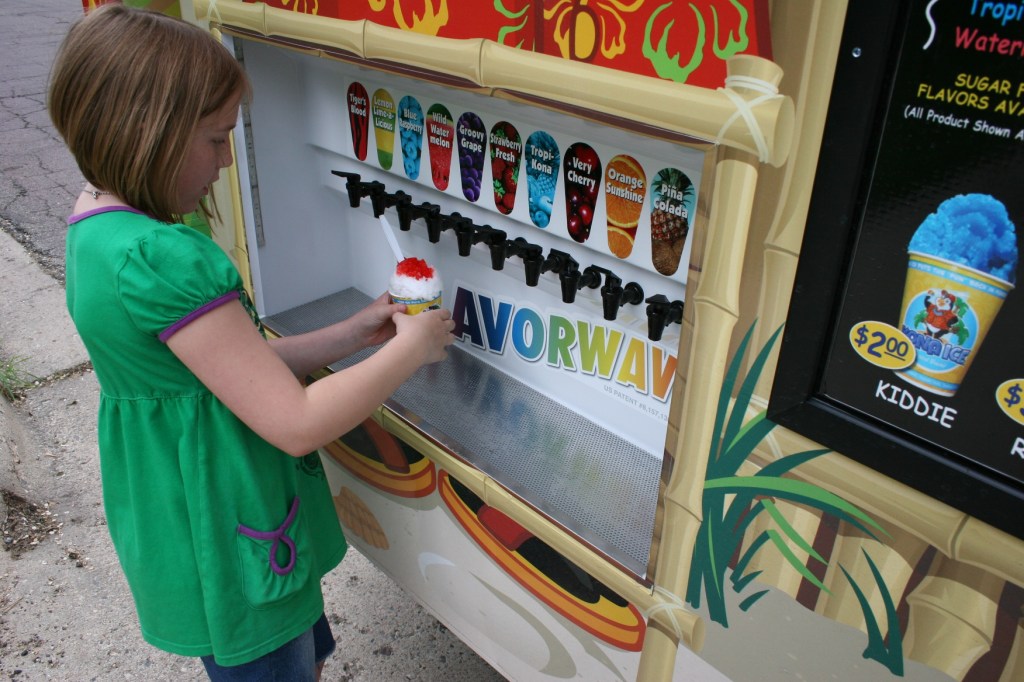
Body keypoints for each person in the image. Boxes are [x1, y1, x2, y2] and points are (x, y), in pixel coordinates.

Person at [47, 4, 455, 680]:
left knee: (299, 655)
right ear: (148, 133)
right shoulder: (165, 258)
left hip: (183, 518)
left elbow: (230, 369)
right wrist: (411, 349)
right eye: (214, 139)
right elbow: (295, 422)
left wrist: (356, 332)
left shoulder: (97, 230)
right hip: (228, 535)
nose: (227, 158)